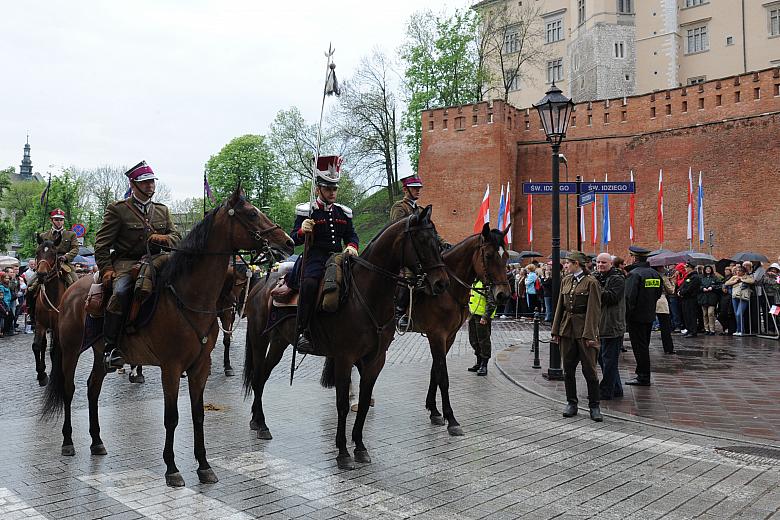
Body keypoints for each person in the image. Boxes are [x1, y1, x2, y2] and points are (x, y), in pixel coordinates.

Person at [95, 161, 181, 371]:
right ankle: (112, 347)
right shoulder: (118, 210)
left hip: (159, 260)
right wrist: (106, 268)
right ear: (133, 185)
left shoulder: (162, 210)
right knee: (122, 291)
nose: (151, 186)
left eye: (152, 181)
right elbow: (102, 243)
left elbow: (177, 237)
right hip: (127, 262)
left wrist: (163, 239)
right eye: (145, 182)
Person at [288, 155, 359, 354]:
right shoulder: (307, 211)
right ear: (318, 189)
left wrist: (352, 246)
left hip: (338, 257)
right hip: (315, 257)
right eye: (328, 188)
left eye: (334, 188)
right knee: (310, 284)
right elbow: (293, 240)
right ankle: (302, 330)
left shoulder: (343, 213)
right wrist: (302, 231)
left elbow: (351, 235)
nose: (332, 192)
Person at [390, 175, 450, 328]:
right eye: (414, 188)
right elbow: (398, 231)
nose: (418, 191)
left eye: (419, 188)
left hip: (420, 252)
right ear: (405, 189)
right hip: (405, 252)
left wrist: (444, 244)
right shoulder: (399, 208)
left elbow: (432, 233)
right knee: (408, 276)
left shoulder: (421, 210)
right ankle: (399, 313)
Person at [551, 251, 603, 421]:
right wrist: (555, 330)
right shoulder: (566, 280)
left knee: (590, 370)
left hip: (584, 331)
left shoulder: (591, 283)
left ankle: (594, 406)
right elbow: (560, 306)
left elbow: (593, 310)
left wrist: (589, 334)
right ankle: (571, 402)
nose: (565, 266)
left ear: (577, 264)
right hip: (567, 330)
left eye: (568, 263)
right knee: (568, 369)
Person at [624, 246, 662, 386]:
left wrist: (627, 316)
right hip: (649, 314)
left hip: (636, 317)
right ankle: (643, 374)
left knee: (639, 348)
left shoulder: (634, 274)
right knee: (644, 345)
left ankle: (643, 376)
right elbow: (658, 294)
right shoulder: (654, 274)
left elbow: (629, 298)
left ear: (634, 258)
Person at [594, 253, 625, 401]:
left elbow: (611, 297)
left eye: (604, 262)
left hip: (613, 325)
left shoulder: (617, 278)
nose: (600, 265)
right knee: (603, 358)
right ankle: (616, 388)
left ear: (611, 264)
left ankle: (605, 391)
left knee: (609, 359)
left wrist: (595, 288)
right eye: (598, 262)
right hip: (600, 325)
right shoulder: (596, 277)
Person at [467, 280, 496, 376]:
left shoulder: (486, 283)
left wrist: (486, 316)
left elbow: (492, 301)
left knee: (483, 341)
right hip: (473, 314)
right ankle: (479, 362)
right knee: (474, 340)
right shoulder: (474, 282)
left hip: (482, 316)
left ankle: (484, 365)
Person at [724, 265, 754, 336]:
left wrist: (742, 280)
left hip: (743, 297)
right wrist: (735, 281)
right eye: (737, 270)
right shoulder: (734, 277)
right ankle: (738, 330)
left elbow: (752, 281)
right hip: (734, 296)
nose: (737, 272)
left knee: (739, 313)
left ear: (743, 271)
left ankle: (741, 330)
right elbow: (726, 283)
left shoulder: (747, 276)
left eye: (739, 270)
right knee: (736, 314)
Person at [655, 266, 676, 354]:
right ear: (659, 268)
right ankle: (668, 348)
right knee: (665, 327)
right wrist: (672, 282)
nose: (664, 268)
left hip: (649, 301)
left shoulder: (650, 276)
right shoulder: (663, 277)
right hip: (661, 302)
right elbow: (671, 290)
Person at [677, 262, 702, 338]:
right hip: (685, 299)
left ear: (691, 268)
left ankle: (693, 331)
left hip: (691, 299)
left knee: (691, 315)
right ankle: (689, 329)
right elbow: (683, 286)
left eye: (687, 267)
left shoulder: (694, 277)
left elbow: (689, 288)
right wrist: (680, 291)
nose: (685, 269)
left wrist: (681, 292)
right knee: (686, 315)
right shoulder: (688, 277)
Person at [698, 265, 721, 335]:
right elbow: (697, 286)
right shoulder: (701, 277)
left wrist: (712, 287)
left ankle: (712, 329)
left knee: (710, 313)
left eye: (709, 269)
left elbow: (719, 285)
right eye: (706, 269)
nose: (708, 270)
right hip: (703, 297)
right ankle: (706, 329)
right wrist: (702, 288)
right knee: (704, 314)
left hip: (712, 297)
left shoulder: (715, 277)